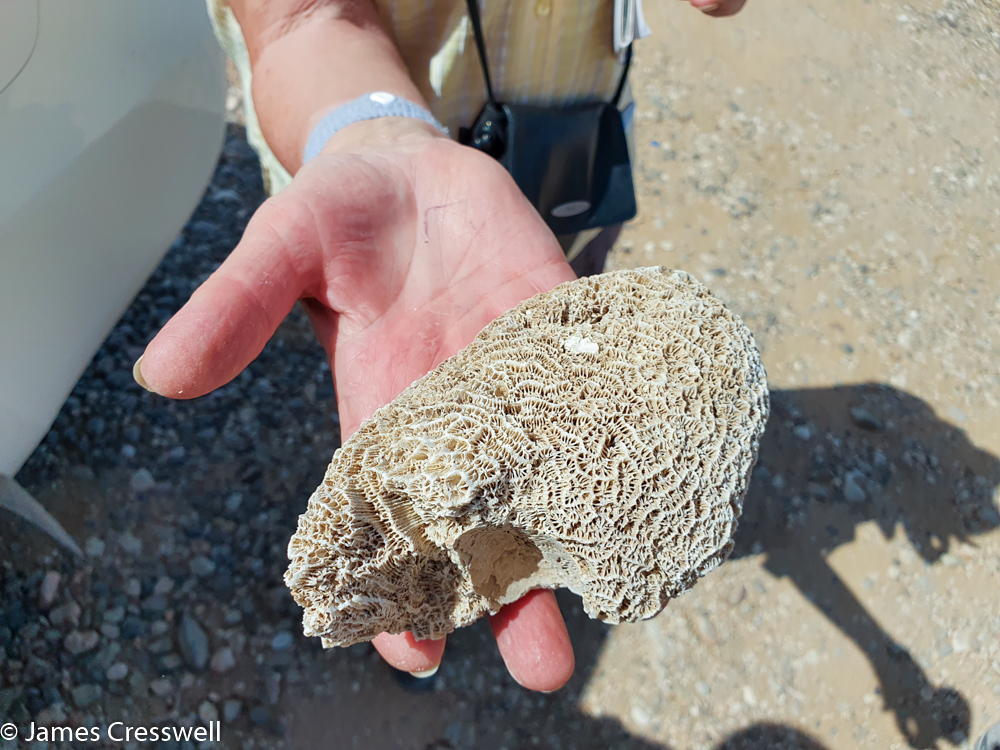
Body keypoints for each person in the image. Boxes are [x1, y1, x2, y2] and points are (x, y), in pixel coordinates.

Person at [133, 0, 747, 693]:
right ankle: (421, 602)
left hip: (578, 152)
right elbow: (301, 16)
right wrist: (370, 126)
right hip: (394, 195)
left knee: (577, 296)